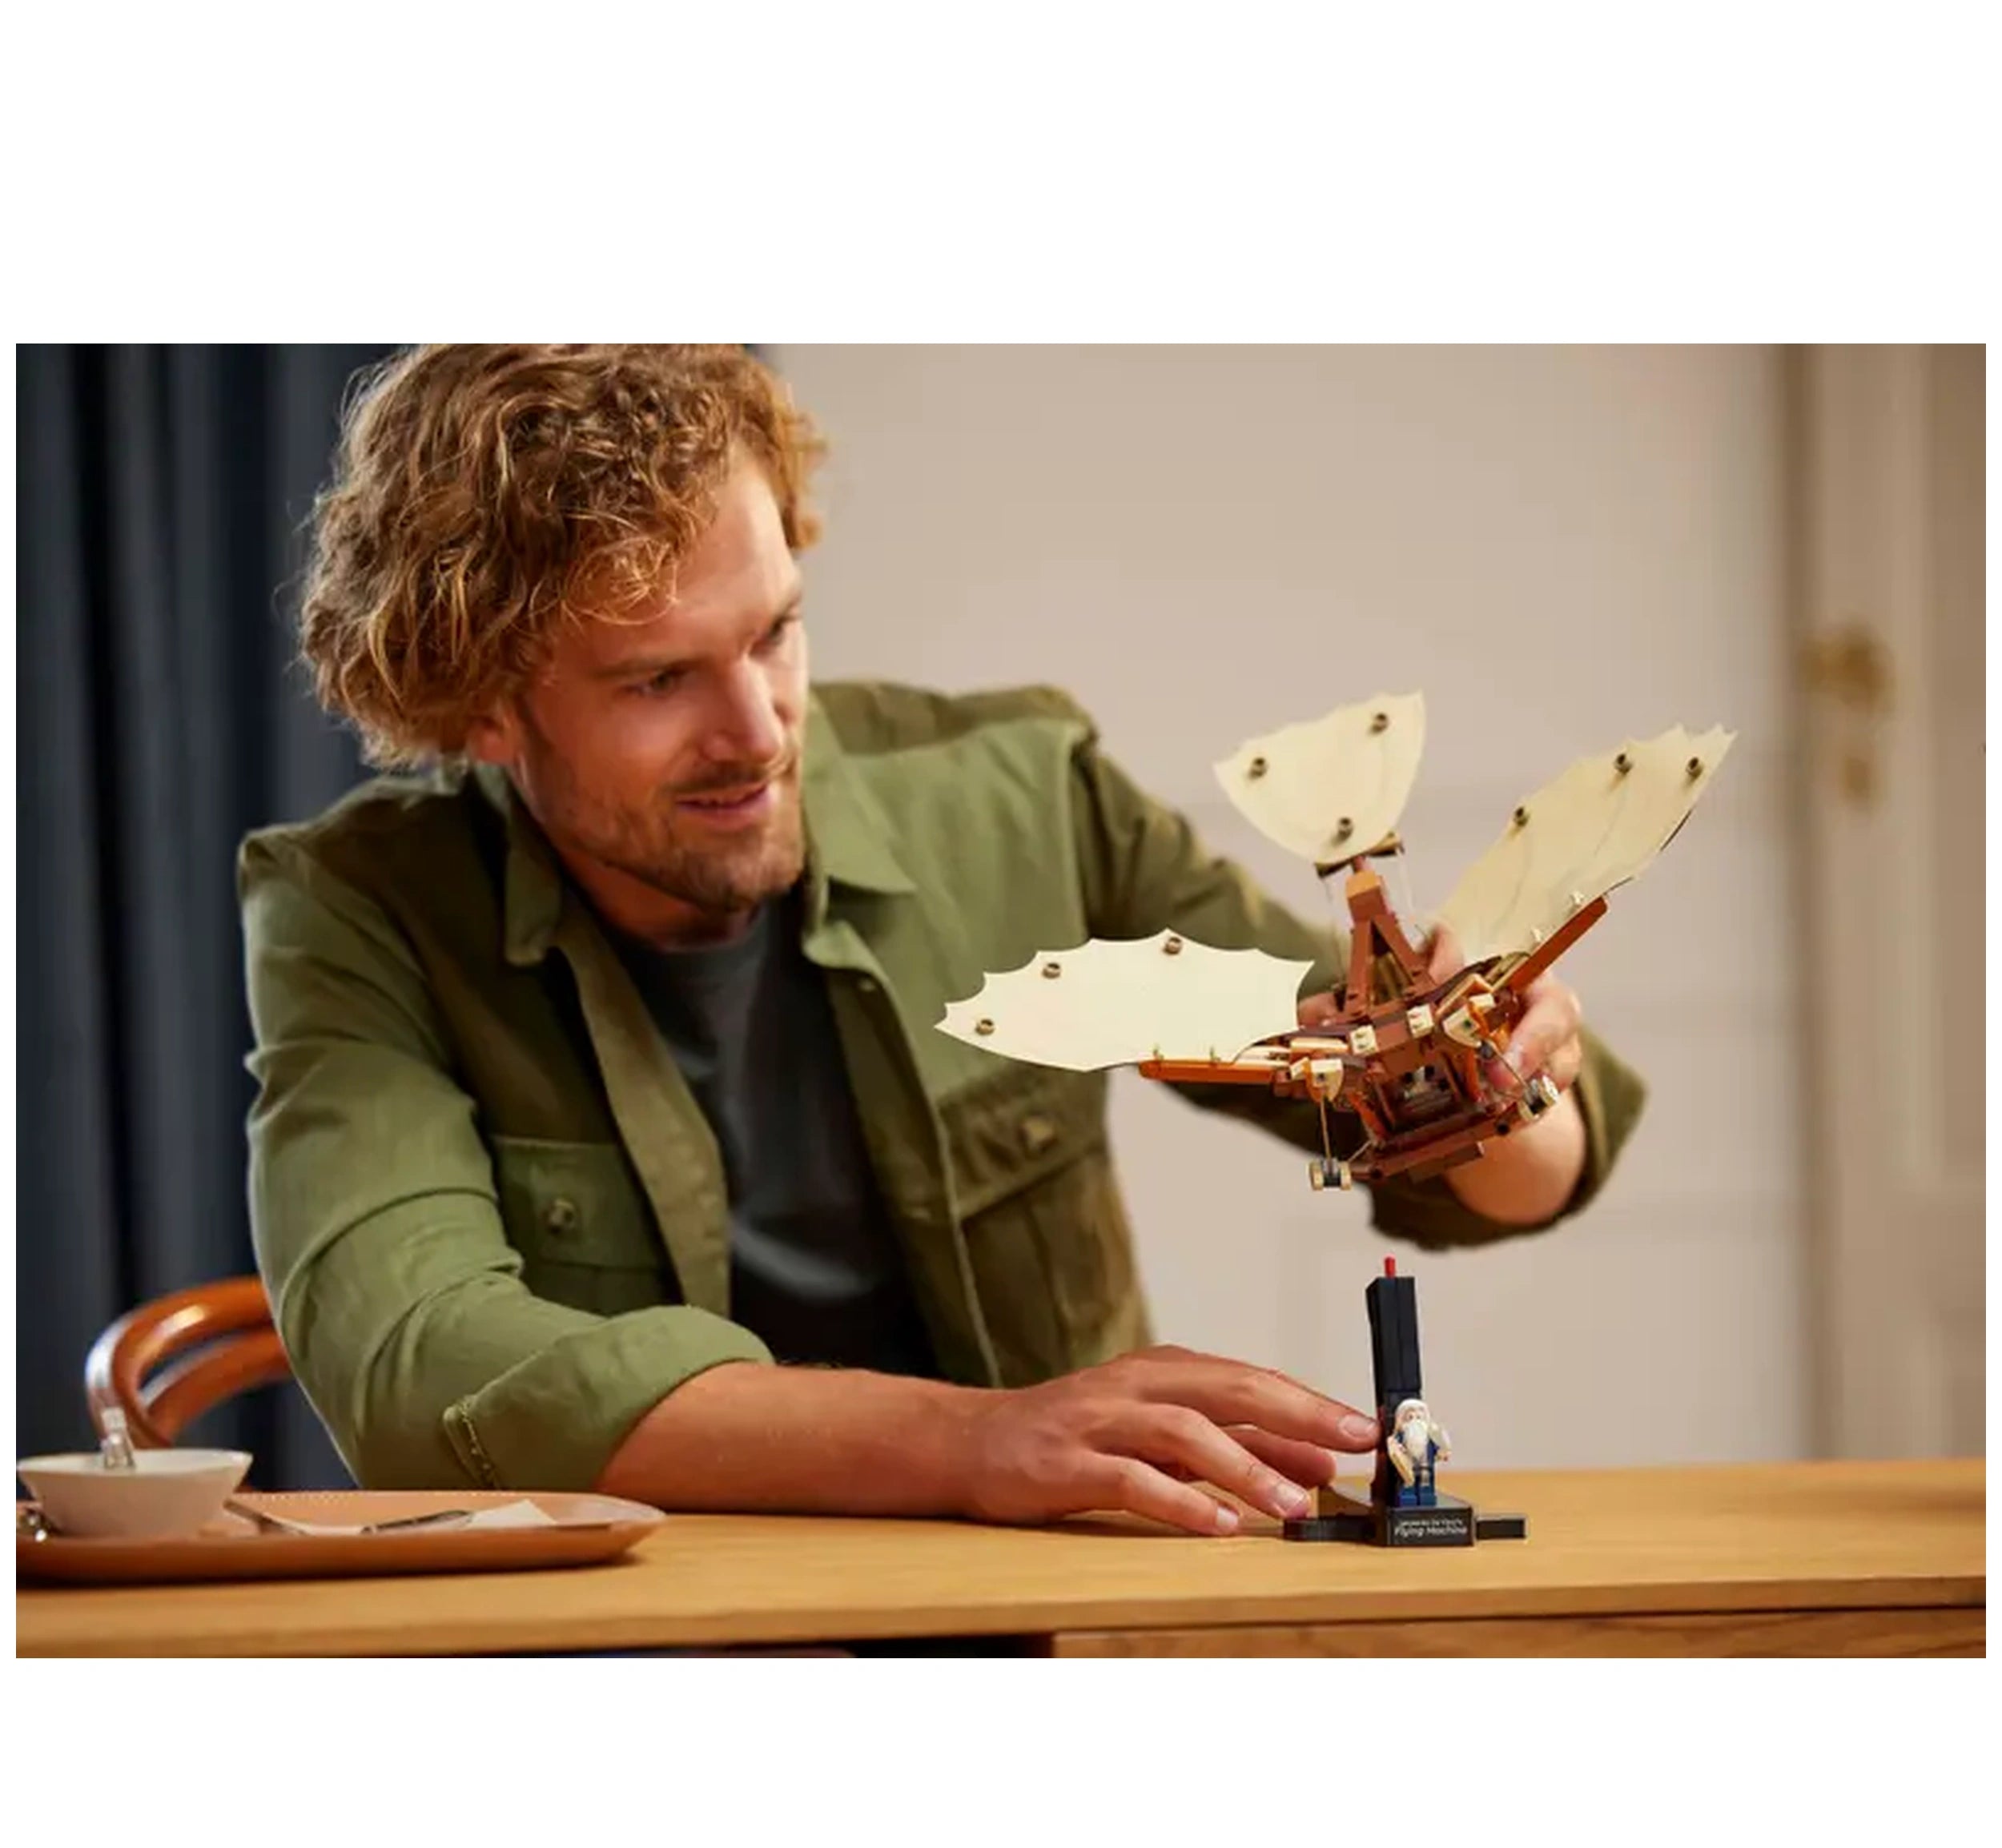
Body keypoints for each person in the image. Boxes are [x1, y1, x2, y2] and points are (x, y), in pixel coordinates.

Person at [242, 343, 1646, 1537]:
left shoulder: (1028, 790)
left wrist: (1488, 1085)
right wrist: (977, 1444)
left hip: (1061, 1639)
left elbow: (1498, 1171)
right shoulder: (358, 909)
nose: (758, 730)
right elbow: (421, 1373)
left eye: (775, 634)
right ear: (485, 709)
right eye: (659, 678)